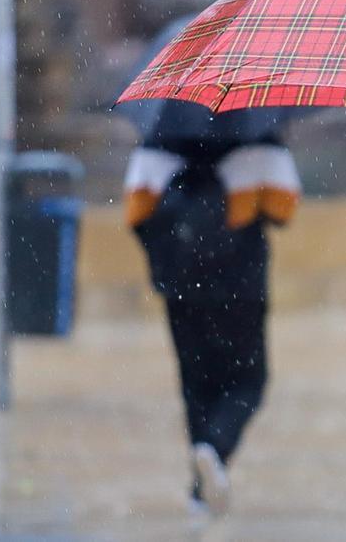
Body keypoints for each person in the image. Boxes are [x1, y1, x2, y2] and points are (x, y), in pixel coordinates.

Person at [125, 138, 300, 516]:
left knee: (195, 383)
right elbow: (284, 209)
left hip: (182, 290)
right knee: (249, 381)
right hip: (241, 287)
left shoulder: (156, 142)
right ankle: (214, 449)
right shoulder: (261, 141)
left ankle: (199, 492)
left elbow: (136, 215)